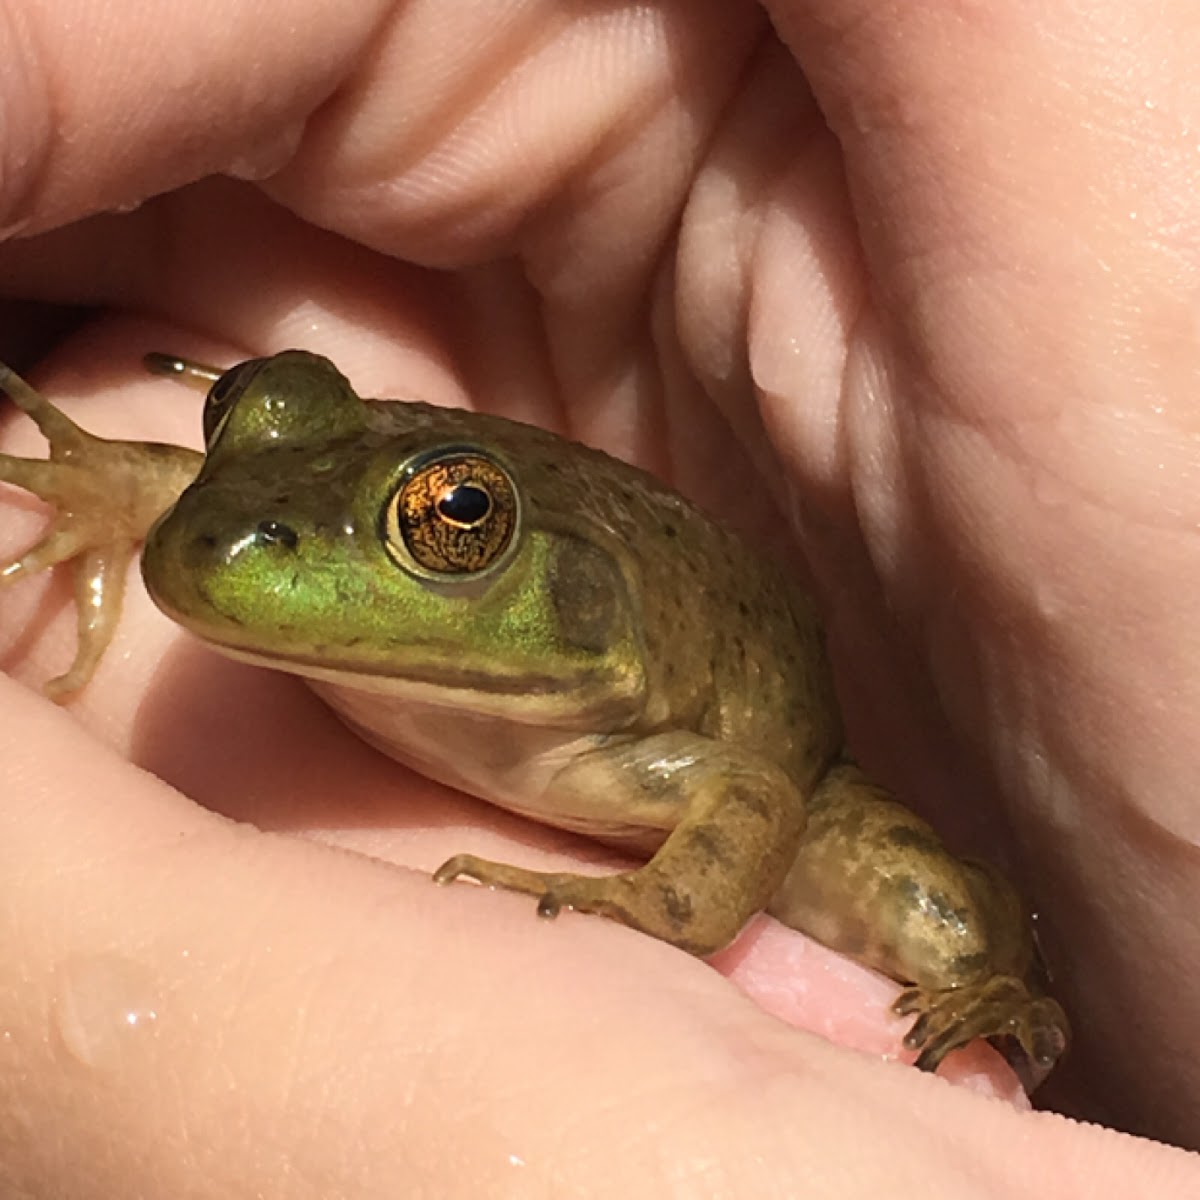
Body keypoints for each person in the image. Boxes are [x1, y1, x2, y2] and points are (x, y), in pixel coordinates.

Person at [0, 1, 1196, 1193]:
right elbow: (261, 488)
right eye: (232, 425)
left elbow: (754, 788)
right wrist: (113, 488)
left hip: (783, 752)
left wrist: (658, 909)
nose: (227, 518)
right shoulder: (262, 500)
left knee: (943, 922)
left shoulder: (655, 756)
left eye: (446, 525)